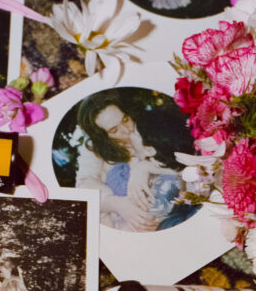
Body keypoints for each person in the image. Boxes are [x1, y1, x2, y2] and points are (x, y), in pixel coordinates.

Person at [74, 94, 191, 232]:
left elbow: (190, 165)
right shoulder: (97, 153)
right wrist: (117, 204)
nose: (127, 130)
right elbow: (83, 190)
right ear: (103, 137)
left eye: (125, 119)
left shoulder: (151, 127)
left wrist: (144, 168)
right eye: (114, 130)